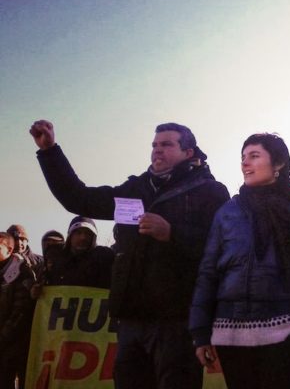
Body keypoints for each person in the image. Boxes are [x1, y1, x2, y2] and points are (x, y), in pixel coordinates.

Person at [29, 120, 230, 389]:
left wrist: (172, 233)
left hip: (178, 322)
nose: (157, 150)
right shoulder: (135, 189)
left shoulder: (210, 192)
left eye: (167, 144)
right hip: (131, 322)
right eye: (154, 145)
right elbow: (78, 198)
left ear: (188, 152)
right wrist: (49, 150)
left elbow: (222, 248)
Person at [189, 133, 290, 389]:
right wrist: (200, 331)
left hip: (288, 331)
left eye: (254, 156)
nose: (245, 164)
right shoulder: (227, 212)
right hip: (231, 336)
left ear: (278, 163)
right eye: (243, 158)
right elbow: (208, 273)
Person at [0, 232, 36, 389]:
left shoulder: (22, 272)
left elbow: (21, 311)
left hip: (15, 345)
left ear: (9, 250)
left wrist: (2, 336)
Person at [45, 216, 114, 289]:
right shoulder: (57, 259)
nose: (83, 238)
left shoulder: (102, 257)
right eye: (78, 233)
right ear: (70, 236)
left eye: (88, 234)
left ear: (93, 238)